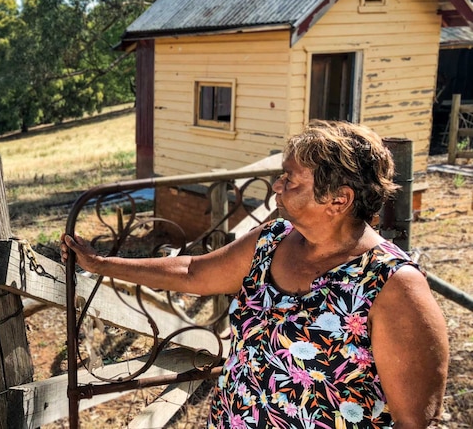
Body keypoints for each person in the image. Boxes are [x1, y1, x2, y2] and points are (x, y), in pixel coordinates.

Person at [61, 121, 448, 428]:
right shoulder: (272, 240)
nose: (278, 186)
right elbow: (194, 272)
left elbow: (414, 420)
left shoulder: (393, 284)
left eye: (292, 180)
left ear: (338, 200)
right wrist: (101, 265)